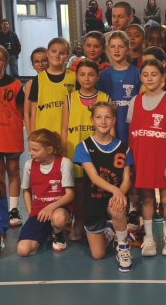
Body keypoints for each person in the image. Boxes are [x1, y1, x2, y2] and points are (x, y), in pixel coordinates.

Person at [129, 58, 166, 256]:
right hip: (142, 159)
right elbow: (133, 132)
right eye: (145, 75)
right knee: (147, 199)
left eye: (154, 74)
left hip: (164, 160)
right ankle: (150, 239)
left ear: (163, 78)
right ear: (141, 78)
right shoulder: (135, 101)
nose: (150, 78)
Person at [73, 103, 133, 269]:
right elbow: (94, 176)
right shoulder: (83, 147)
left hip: (113, 198)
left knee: (117, 208)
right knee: (98, 255)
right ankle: (110, 232)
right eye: (98, 117)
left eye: (108, 117)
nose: (103, 121)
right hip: (93, 201)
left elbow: (126, 180)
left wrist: (118, 195)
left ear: (114, 120)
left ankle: (123, 247)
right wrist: (116, 190)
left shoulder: (124, 148)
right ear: (92, 120)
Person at [61, 59, 110, 241]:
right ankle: (78, 223)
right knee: (79, 191)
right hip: (76, 152)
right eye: (82, 74)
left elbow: (111, 128)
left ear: (97, 77)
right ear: (76, 76)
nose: (86, 78)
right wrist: (64, 152)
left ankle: (99, 225)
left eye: (91, 74)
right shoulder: (69, 99)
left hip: (99, 152)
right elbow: (64, 129)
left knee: (99, 190)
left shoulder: (105, 98)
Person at [0, 45, 26, 227]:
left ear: (6, 62)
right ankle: (1, 207)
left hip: (11, 135)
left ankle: (14, 209)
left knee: (13, 171)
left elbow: (22, 111)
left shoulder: (15, 84)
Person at [17, 130, 75, 256]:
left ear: (49, 150)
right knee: (23, 250)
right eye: (30, 149)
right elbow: (26, 191)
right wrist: (31, 213)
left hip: (59, 207)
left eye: (35, 150)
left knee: (59, 219)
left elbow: (70, 195)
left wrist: (51, 207)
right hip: (39, 209)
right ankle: (47, 231)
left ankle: (57, 233)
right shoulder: (28, 165)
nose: (31, 153)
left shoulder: (64, 163)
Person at [97, 31, 140, 142]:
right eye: (112, 47)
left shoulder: (137, 74)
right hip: (108, 132)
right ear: (107, 50)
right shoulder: (102, 76)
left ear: (128, 50)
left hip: (133, 131)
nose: (116, 50)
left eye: (121, 47)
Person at [29, 38, 77, 137]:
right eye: (53, 51)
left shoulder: (74, 78)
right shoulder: (38, 80)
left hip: (68, 134)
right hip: (44, 135)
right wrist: (33, 137)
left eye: (62, 53)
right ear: (47, 53)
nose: (56, 55)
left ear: (67, 57)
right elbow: (33, 114)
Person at [24, 48, 49, 133]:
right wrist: (30, 135)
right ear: (33, 65)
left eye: (44, 61)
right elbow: (27, 113)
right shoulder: (30, 84)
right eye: (37, 62)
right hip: (39, 130)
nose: (40, 65)